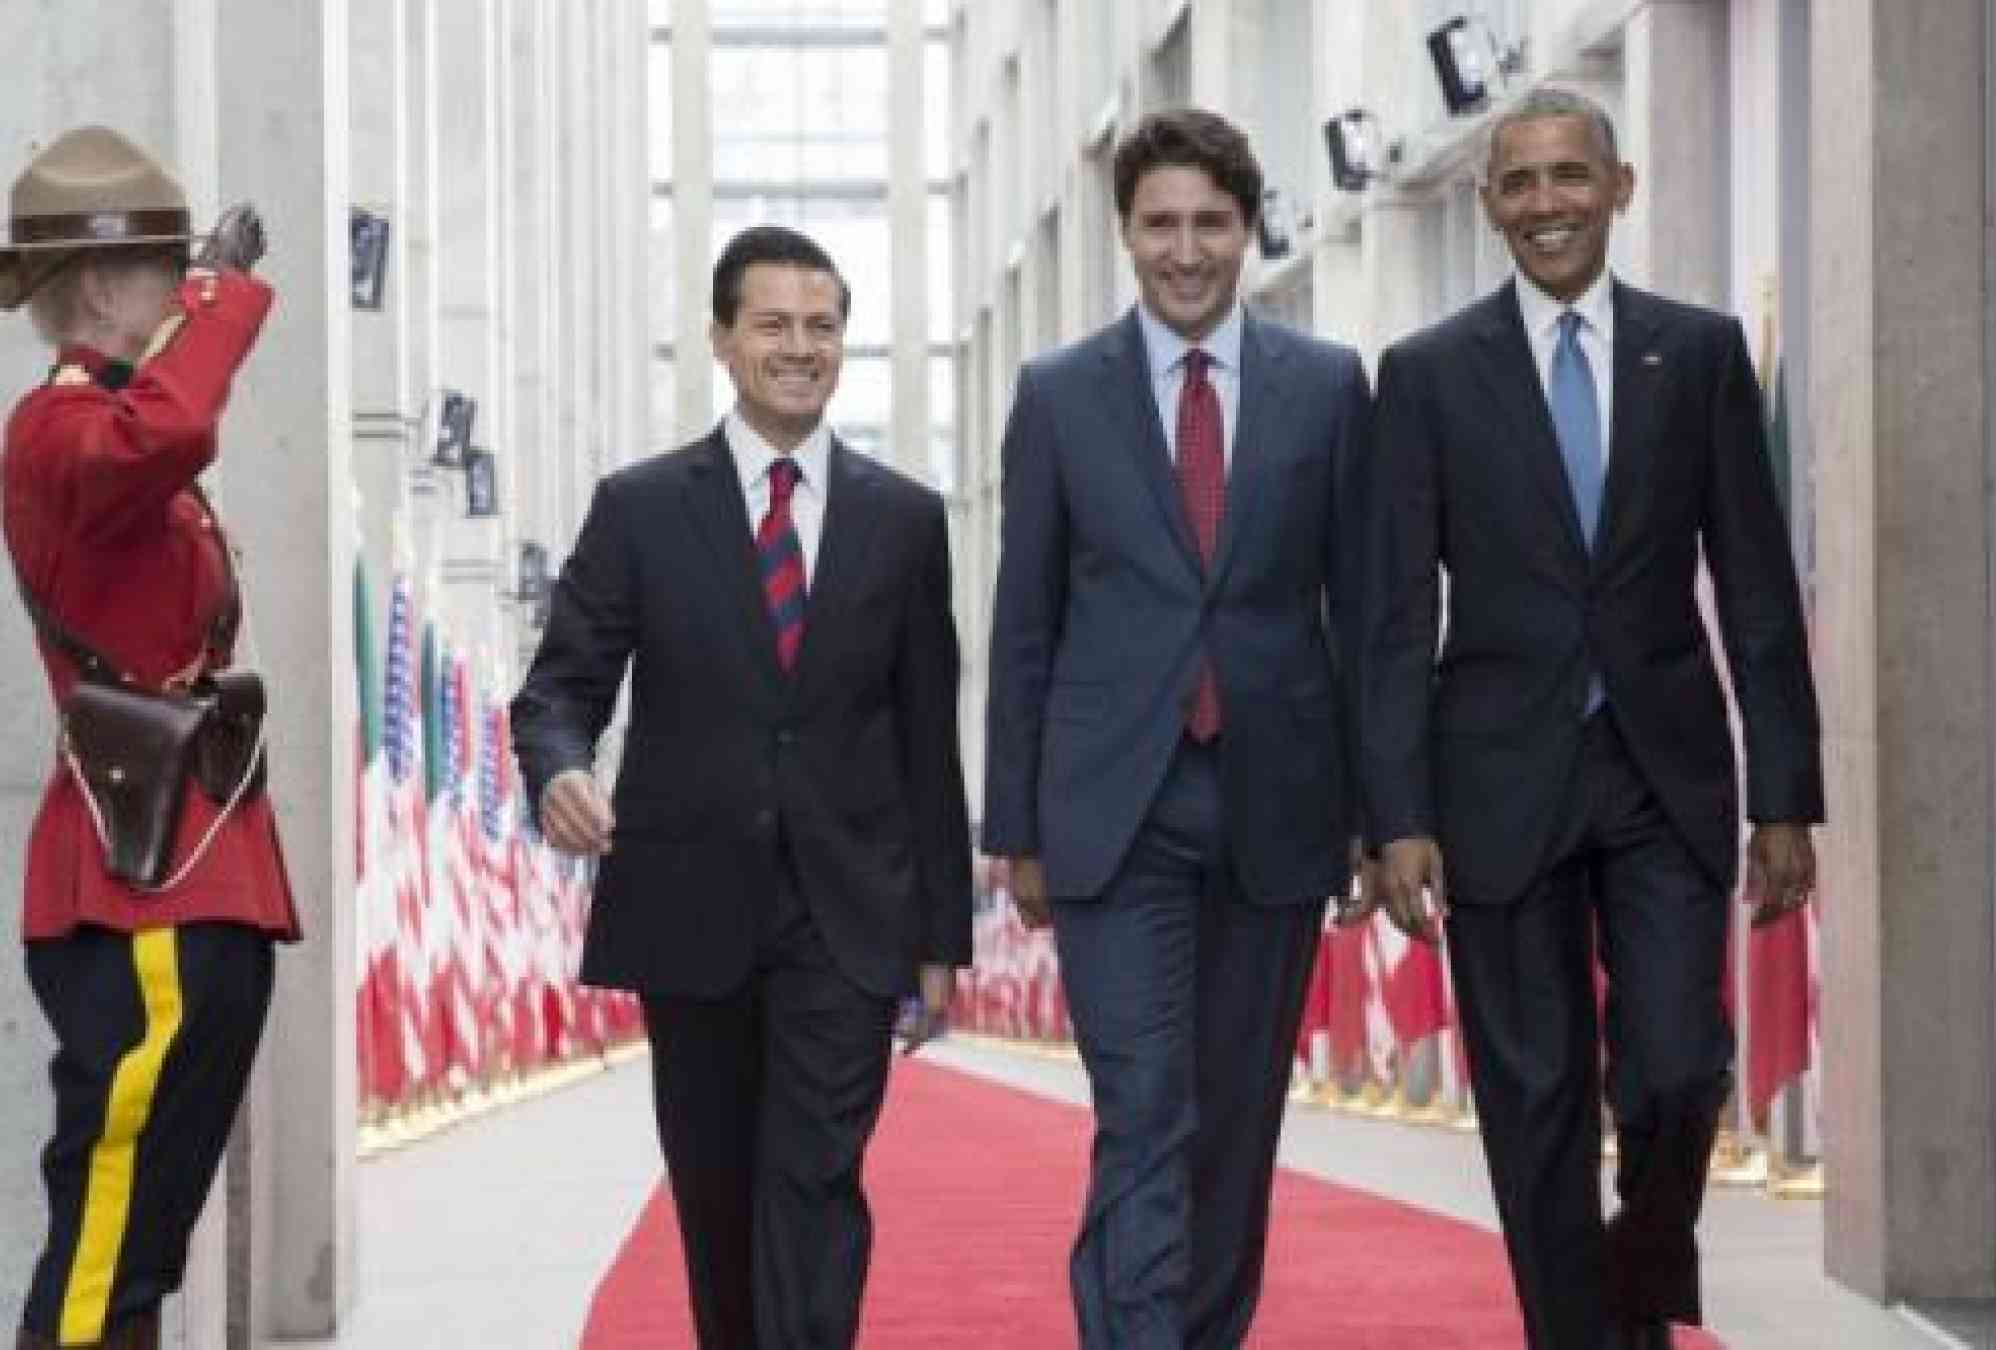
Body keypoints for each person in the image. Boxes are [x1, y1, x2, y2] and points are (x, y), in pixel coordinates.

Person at [1360, 86, 1823, 1349]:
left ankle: (1641, 1258)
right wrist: (1393, 815)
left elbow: (1759, 585)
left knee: (1677, 1067)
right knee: (1535, 1097)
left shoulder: (1704, 353)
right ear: (1488, 203)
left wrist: (1785, 792)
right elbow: (1396, 615)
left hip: (1661, 768)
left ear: (1619, 188)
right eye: (1520, 183)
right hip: (1495, 779)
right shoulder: (1427, 376)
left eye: (1572, 176)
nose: (1547, 203)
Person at [510, 225, 972, 1350]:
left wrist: (942, 938)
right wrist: (563, 768)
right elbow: (559, 689)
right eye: (773, 325)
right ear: (723, 341)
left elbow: (926, 740)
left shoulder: (905, 520)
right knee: (717, 1203)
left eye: (822, 327)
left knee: (814, 1186)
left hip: (846, 917)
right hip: (690, 907)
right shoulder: (639, 508)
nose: (799, 348)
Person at [981, 107, 1372, 1349]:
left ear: (1248, 230)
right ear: (1126, 234)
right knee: (1146, 1108)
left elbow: (1364, 616)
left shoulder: (1326, 387)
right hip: (1114, 815)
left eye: (1210, 222)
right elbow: (1024, 622)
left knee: (1235, 1119)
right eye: (1161, 223)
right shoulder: (1058, 397)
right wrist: (1018, 829)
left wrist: (1379, 815)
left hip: (1275, 805)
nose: (1187, 250)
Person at [1, 127, 296, 1350]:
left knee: (146, 1228)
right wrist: (221, 307)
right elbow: (169, 435)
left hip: (187, 857)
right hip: (142, 887)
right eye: (168, 267)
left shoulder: (117, 426)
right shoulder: (61, 428)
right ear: (104, 283)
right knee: (112, 1227)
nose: (184, 285)